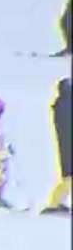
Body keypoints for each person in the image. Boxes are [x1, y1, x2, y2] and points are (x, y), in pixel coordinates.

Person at [44, 77, 71, 214]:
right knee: (69, 175)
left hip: (65, 144)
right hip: (67, 145)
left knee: (68, 176)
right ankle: (55, 203)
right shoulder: (65, 104)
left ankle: (58, 202)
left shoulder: (62, 104)